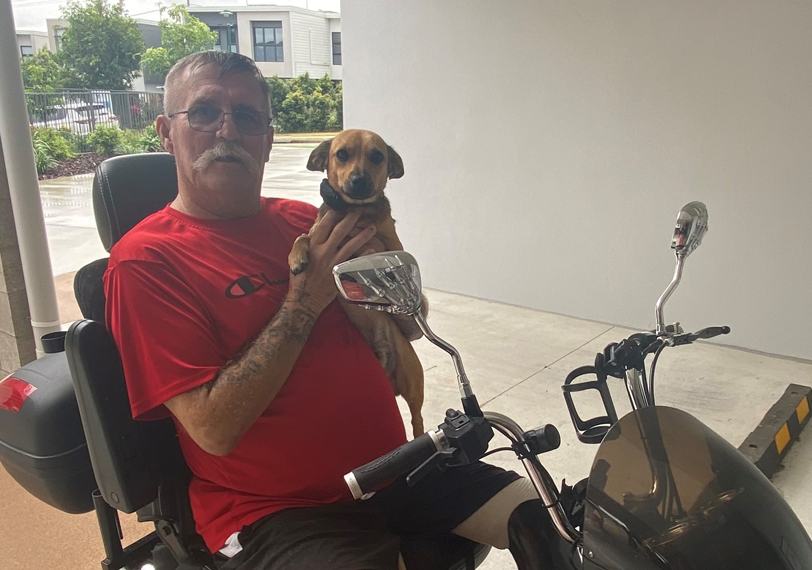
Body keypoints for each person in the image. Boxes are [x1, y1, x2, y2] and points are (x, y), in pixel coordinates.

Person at [104, 51, 543, 570]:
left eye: (247, 116)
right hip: (277, 512)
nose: (227, 130)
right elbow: (213, 430)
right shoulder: (146, 261)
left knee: (558, 522)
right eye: (203, 113)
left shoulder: (307, 219)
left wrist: (399, 287)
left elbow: (409, 321)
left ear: (268, 138)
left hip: (395, 471)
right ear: (165, 132)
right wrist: (306, 297)